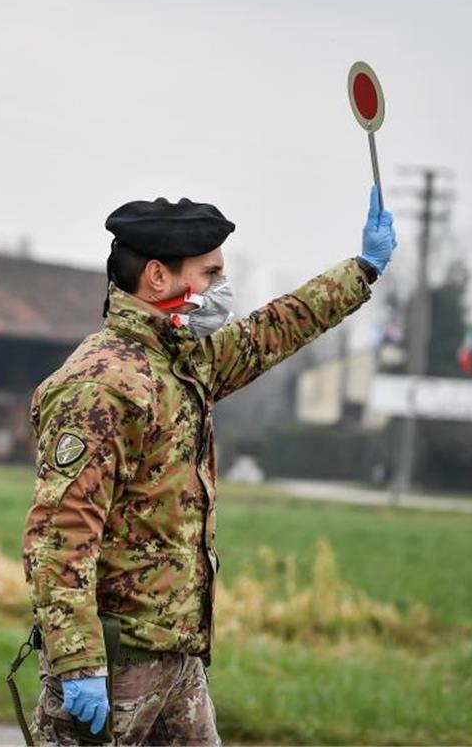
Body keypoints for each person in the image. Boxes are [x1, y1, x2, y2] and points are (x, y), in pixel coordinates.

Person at [21, 186, 396, 745]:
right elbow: (60, 534)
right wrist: (78, 663)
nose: (223, 288)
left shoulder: (182, 364)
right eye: (212, 272)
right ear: (158, 277)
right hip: (114, 665)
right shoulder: (102, 385)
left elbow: (272, 330)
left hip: (177, 658)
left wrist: (361, 270)